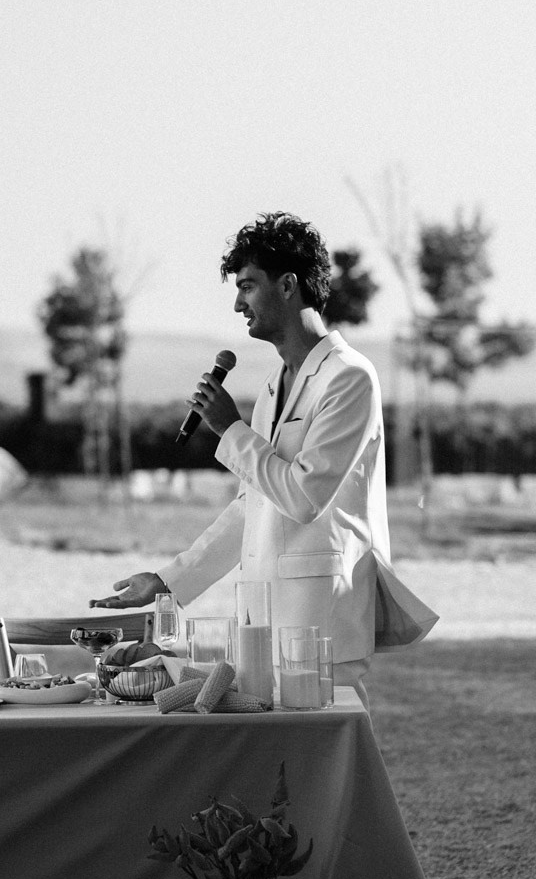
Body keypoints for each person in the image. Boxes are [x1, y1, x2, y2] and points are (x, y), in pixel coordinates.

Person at [98, 212, 399, 699]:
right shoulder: (271, 386)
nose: (238, 303)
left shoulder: (350, 378)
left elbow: (303, 498)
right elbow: (252, 505)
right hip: (260, 629)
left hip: (320, 623)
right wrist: (167, 580)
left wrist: (230, 429)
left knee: (323, 765)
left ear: (288, 285)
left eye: (248, 286)